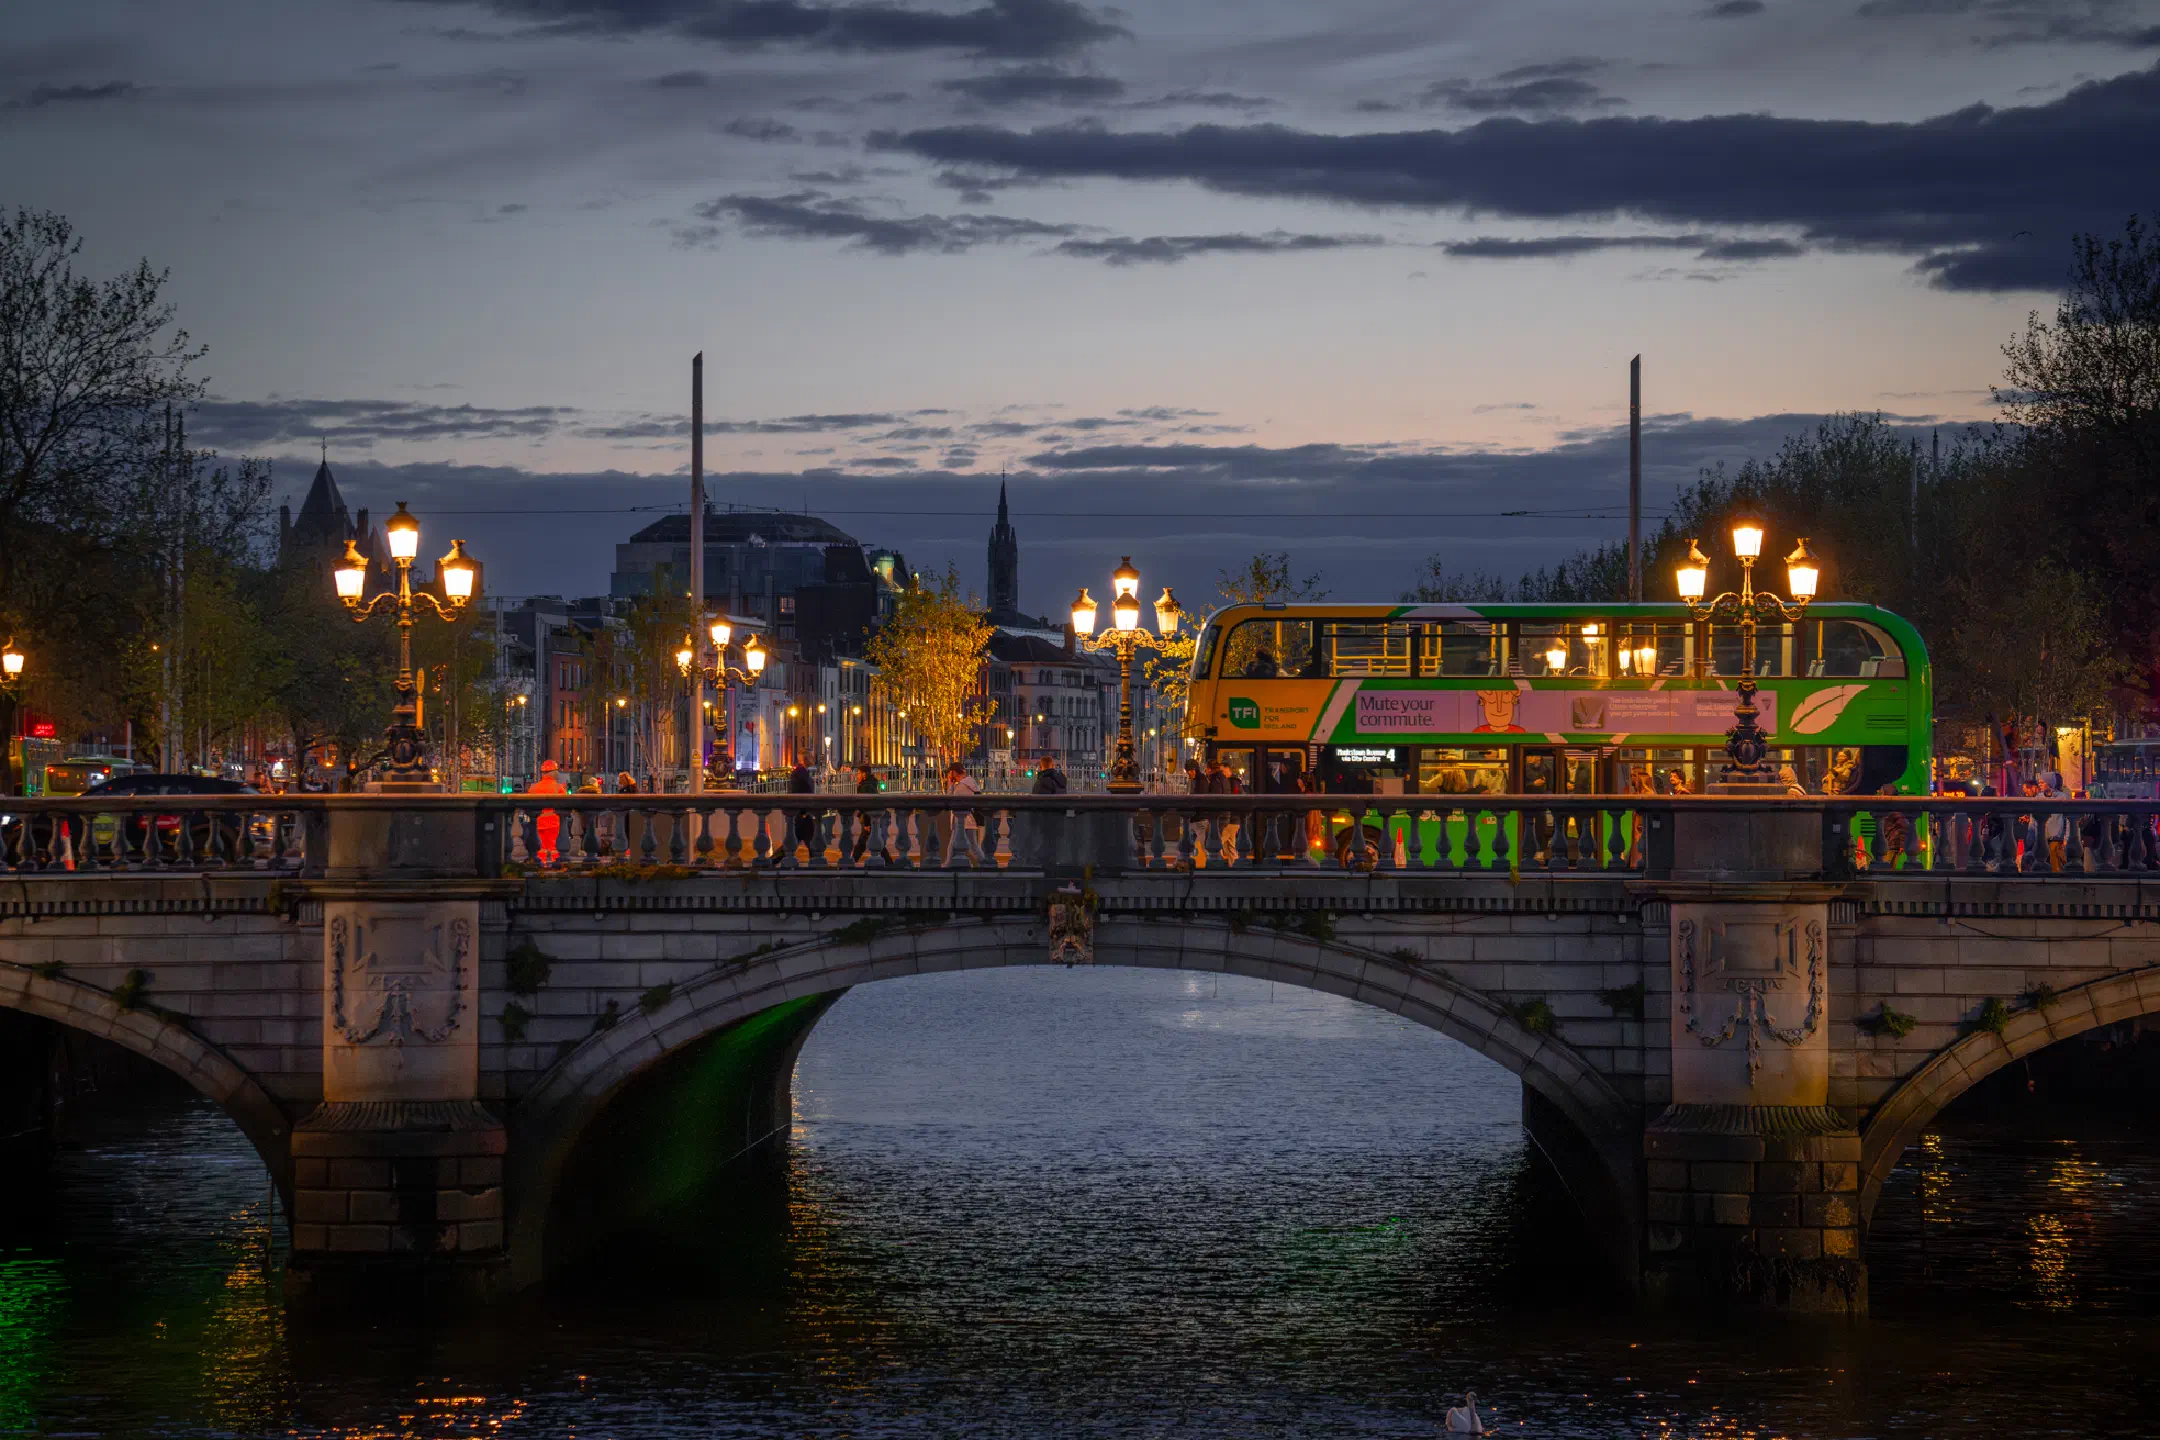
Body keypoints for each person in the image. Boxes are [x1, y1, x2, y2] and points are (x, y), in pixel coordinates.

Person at [943, 761, 985, 865]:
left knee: (971, 846)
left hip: (964, 820)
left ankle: (985, 863)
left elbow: (950, 800)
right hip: (968, 819)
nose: (949, 775)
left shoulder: (962, 786)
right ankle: (948, 864)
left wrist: (950, 784)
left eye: (950, 773)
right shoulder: (970, 782)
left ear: (954, 772)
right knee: (964, 845)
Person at [526, 759, 566, 864]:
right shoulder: (558, 788)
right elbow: (566, 804)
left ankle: (540, 866)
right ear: (555, 772)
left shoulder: (533, 788)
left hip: (538, 822)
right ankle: (557, 865)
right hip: (553, 823)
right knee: (554, 848)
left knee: (540, 848)